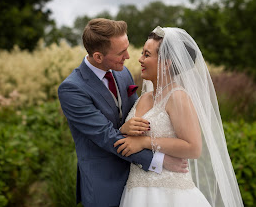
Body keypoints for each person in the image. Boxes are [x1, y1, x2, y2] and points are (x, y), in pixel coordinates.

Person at [58, 19, 188, 207]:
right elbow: (105, 136)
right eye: (121, 52)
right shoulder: (72, 89)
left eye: (127, 48)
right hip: (105, 185)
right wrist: (158, 161)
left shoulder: (122, 72)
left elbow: (140, 116)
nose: (128, 56)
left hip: (141, 182)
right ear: (98, 56)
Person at [114, 26, 244, 207]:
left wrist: (144, 142)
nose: (140, 59)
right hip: (135, 193)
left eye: (147, 54)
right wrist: (123, 129)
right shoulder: (143, 97)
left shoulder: (177, 96)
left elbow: (193, 148)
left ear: (166, 63)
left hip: (169, 195)